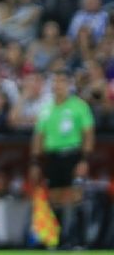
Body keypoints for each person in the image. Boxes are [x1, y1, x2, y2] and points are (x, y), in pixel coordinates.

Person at [30, 72, 95, 249]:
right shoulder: (46, 108)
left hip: (73, 155)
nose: (58, 85)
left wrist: (84, 160)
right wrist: (35, 162)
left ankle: (79, 242)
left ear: (69, 84)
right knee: (55, 197)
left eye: (61, 81)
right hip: (53, 157)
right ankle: (57, 241)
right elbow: (39, 137)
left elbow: (88, 134)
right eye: (55, 81)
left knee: (76, 196)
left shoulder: (79, 106)